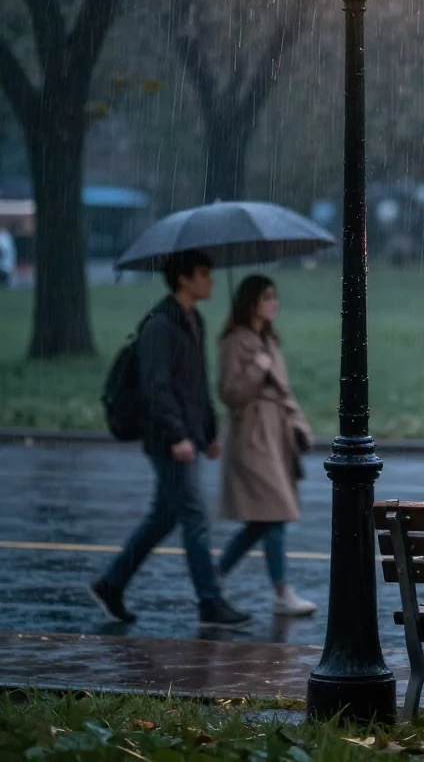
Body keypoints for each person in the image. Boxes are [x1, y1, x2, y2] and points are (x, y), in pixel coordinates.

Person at [89, 250, 251, 629]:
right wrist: (178, 436)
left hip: (187, 436)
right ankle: (210, 602)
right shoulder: (160, 325)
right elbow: (156, 389)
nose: (210, 281)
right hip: (166, 439)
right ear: (183, 279)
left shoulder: (193, 319)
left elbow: (194, 387)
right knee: (194, 516)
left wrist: (207, 432)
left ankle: (111, 584)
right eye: (203, 274)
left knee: (164, 517)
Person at [216, 275, 316, 617]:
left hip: (277, 435)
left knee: (262, 520)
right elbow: (231, 394)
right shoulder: (235, 342)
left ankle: (215, 577)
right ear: (251, 303)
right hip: (252, 437)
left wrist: (300, 425)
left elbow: (285, 394)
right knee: (274, 513)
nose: (274, 303)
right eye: (267, 298)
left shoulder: (270, 341)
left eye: (275, 297)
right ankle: (282, 591)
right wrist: (257, 367)